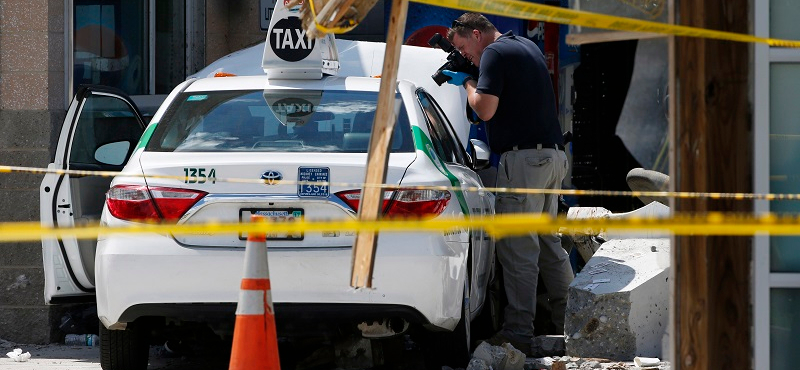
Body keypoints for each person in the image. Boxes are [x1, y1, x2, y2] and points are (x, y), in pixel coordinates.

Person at [442, 13, 573, 356]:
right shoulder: (525, 46)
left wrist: (467, 83)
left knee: (518, 248)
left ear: (475, 33)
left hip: (524, 161)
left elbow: (483, 109)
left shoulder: (494, 54)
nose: (465, 55)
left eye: (462, 46)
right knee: (548, 245)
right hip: (552, 158)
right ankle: (571, 322)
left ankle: (518, 332)